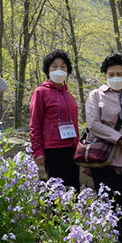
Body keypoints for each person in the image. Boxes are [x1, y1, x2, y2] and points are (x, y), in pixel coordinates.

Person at [84, 53, 122, 243]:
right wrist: (118, 138)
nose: (116, 76)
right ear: (106, 75)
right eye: (111, 73)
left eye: (120, 73)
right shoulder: (95, 95)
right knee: (107, 205)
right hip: (104, 159)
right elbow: (93, 123)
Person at [30, 49, 80, 189]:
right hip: (52, 151)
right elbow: (34, 124)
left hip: (71, 149)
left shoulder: (68, 93)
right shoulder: (40, 92)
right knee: (57, 196)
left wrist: (78, 146)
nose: (59, 69)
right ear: (47, 70)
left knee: (73, 193)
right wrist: (38, 151)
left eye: (63, 66)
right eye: (54, 66)